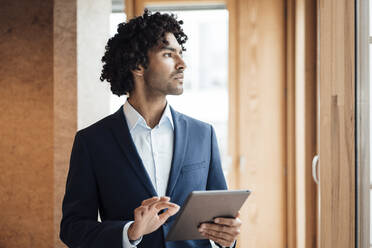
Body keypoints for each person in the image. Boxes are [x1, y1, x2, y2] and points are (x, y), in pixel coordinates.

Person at [60, 9, 241, 248]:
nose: (182, 64)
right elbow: (73, 228)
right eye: (169, 54)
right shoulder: (92, 141)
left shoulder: (203, 135)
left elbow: (220, 223)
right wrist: (130, 233)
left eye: (181, 53)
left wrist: (227, 239)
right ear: (138, 65)